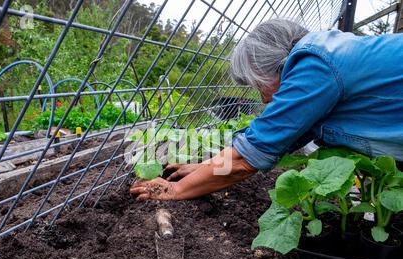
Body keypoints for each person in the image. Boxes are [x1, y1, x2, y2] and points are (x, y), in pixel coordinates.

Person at [130, 18, 403, 201]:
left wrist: (173, 190)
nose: (262, 99)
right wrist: (204, 166)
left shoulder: (314, 65)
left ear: (272, 66)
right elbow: (265, 140)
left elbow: (245, 160)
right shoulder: (327, 56)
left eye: (257, 85)